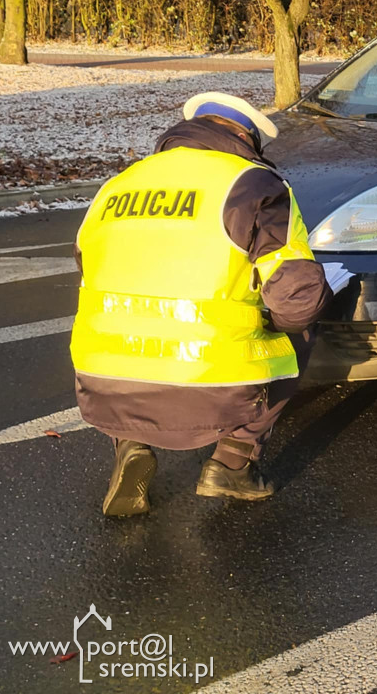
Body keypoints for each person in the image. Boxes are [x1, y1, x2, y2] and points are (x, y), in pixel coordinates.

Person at [70, 92, 333, 517]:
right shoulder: (252, 185)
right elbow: (296, 296)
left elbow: (88, 265)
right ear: (247, 138)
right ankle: (233, 462)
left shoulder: (116, 185)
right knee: (302, 326)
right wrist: (278, 318)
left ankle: (131, 442)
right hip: (210, 383)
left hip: (102, 383)